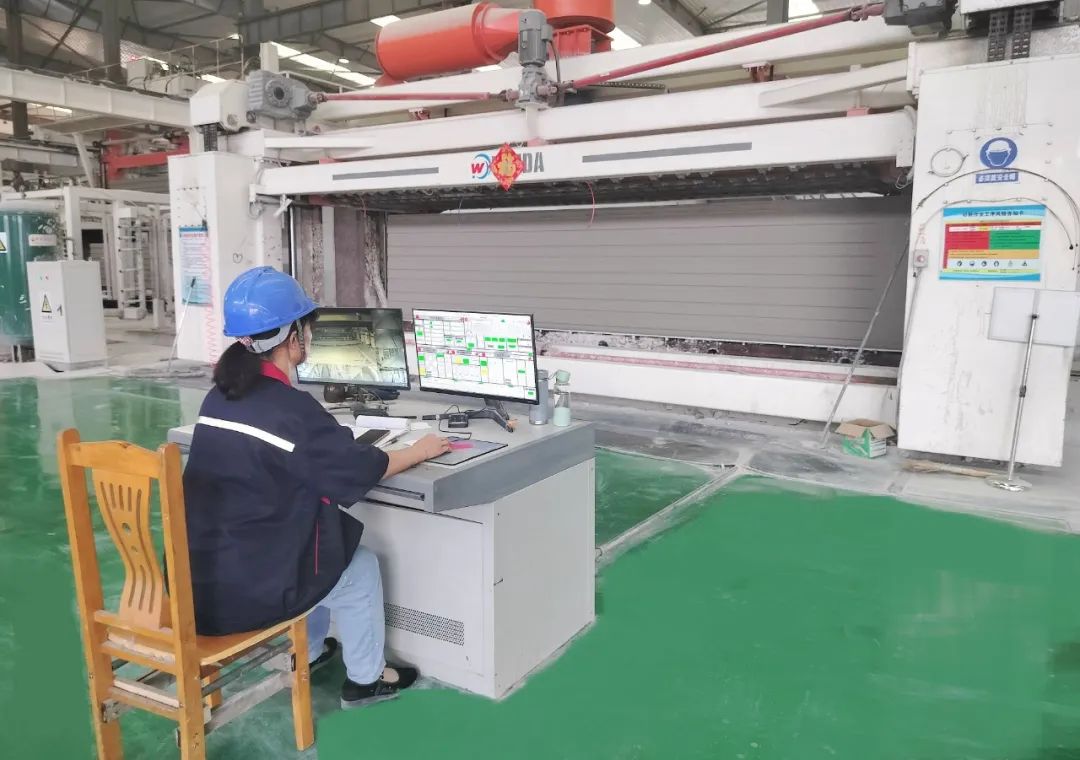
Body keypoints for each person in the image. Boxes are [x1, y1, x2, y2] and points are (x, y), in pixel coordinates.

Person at [182, 266, 451, 708]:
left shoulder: (218, 398)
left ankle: (306, 653)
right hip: (246, 593)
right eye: (307, 328)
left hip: (199, 582)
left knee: (313, 541)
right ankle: (366, 680)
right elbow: (358, 470)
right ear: (293, 337)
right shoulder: (290, 410)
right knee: (357, 566)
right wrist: (419, 450)